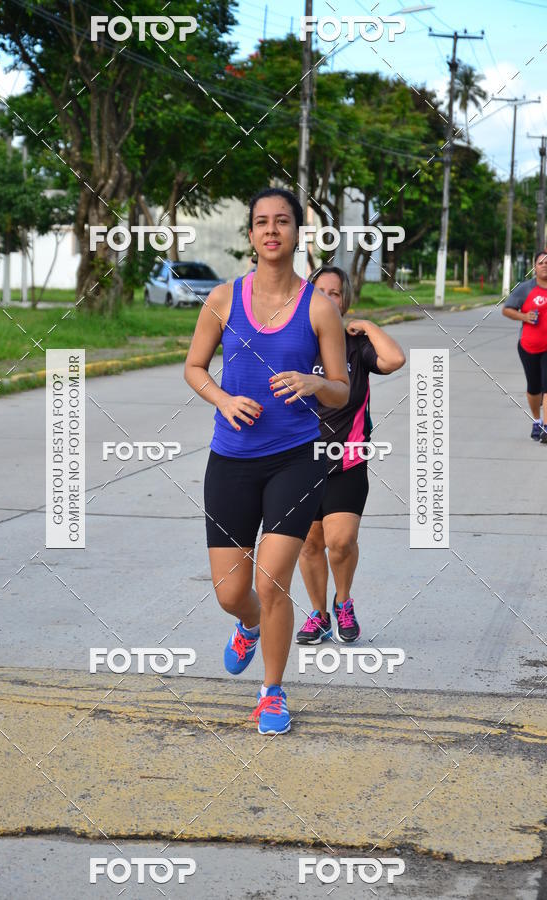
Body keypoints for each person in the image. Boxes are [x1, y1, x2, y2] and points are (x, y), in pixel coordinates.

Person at [184, 189, 350, 735]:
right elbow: (194, 367)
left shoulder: (318, 306)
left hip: (294, 461)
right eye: (262, 222)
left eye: (282, 221)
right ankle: (248, 624)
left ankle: (272, 692)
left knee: (272, 577)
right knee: (233, 592)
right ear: (251, 234)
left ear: (298, 233)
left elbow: (341, 391)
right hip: (231, 459)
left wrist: (314, 382)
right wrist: (223, 399)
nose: (272, 230)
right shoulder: (223, 299)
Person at [295, 266, 405, 645]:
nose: (328, 298)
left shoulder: (354, 345)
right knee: (309, 543)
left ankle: (343, 602)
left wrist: (369, 326)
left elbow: (394, 360)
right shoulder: (296, 342)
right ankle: (319, 614)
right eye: (321, 291)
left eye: (336, 293)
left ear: (346, 300)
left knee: (340, 541)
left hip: (348, 458)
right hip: (298, 461)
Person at [502, 249, 547, 442]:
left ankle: (546, 427)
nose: (545, 265)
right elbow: (507, 310)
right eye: (541, 263)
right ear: (534, 268)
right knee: (534, 387)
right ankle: (537, 421)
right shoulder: (525, 288)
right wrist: (524, 316)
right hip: (528, 346)